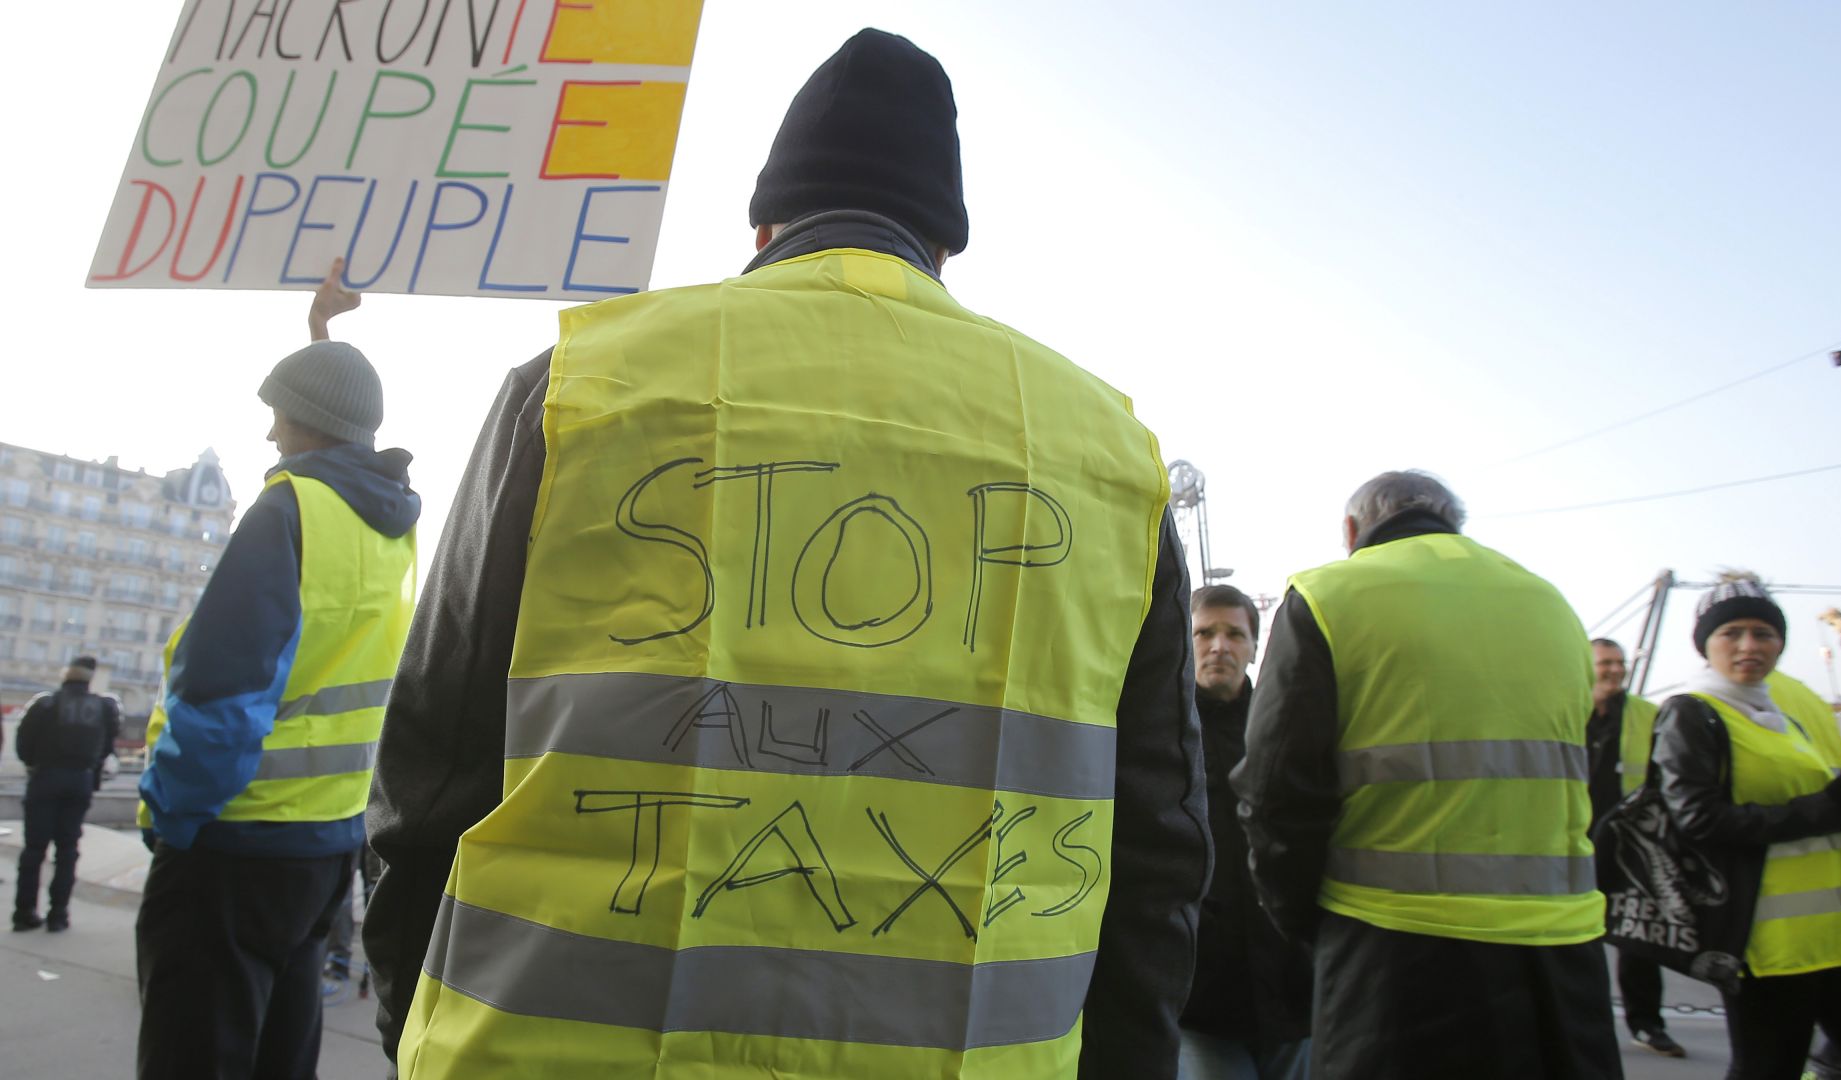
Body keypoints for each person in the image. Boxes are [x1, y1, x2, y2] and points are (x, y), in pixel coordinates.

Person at [363, 28, 1207, 1080]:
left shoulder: (576, 388)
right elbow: (1160, 844)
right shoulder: (1107, 456)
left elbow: (432, 768)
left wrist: (407, 1021)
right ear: (944, 245)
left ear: (765, 224)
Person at [1233, 470, 1621, 1080]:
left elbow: (1277, 788)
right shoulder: (1551, 602)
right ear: (1454, 523)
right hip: (1561, 959)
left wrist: (1302, 920)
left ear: (1352, 530)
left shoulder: (1329, 595)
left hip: (1392, 957)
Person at [134, 278, 420, 1079]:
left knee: (194, 1054)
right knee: (281, 1054)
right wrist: (320, 330)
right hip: (327, 842)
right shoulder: (391, 521)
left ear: (306, 420)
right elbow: (343, 413)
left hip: (235, 839)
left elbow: (220, 698)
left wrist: (172, 816)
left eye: (279, 413)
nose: (269, 431)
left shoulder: (285, 511)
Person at [1651, 577, 1841, 1080]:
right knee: (1768, 1069)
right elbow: (1697, 819)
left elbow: (1811, 806)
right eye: (1731, 633)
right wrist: (1827, 809)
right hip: (1769, 940)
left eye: (1763, 633)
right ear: (1705, 644)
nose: (1749, 646)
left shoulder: (1778, 715)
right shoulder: (1692, 712)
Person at [1181, 585, 1310, 1080]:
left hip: (1292, 985)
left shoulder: (1289, 728)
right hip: (1202, 996)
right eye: (1204, 633)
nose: (1219, 646)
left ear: (1255, 647)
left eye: (1235, 634)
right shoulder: (1162, 735)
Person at [1586, 637, 1684, 1058]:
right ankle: (1583, 1024)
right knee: (1577, 942)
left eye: (1619, 662)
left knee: (1638, 940)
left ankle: (1647, 1025)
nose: (1614, 669)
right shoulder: (1564, 712)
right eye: (1605, 662)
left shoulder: (1647, 715)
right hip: (1574, 843)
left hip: (1631, 846)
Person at [12, 656, 121, 932]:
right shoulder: (103, 707)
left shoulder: (45, 704)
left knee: (34, 849)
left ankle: (24, 912)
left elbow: (23, 746)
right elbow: (108, 746)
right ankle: (58, 914)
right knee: (68, 849)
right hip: (80, 780)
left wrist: (37, 764)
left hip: (44, 778)